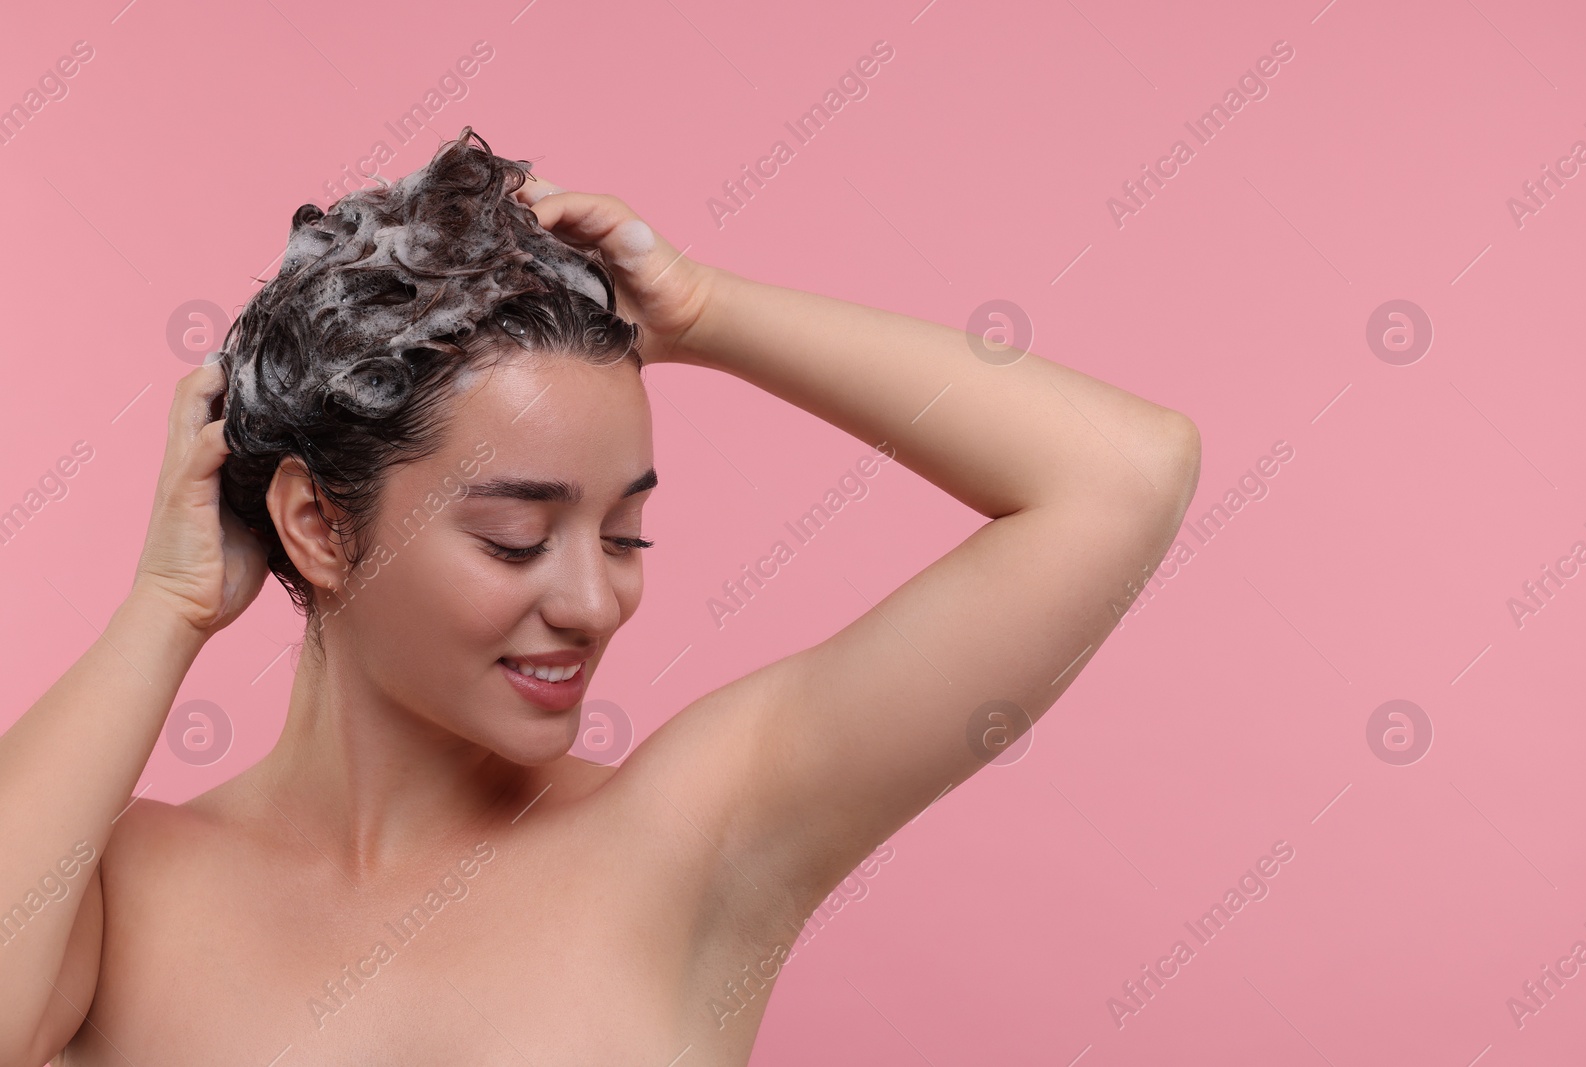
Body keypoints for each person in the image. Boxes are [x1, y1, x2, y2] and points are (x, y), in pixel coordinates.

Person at [0, 127, 1200, 1066]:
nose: (594, 600)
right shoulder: (125, 886)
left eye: (626, 530)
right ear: (317, 521)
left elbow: (1117, 477)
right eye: (517, 538)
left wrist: (710, 315)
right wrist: (165, 609)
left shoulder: (693, 835)